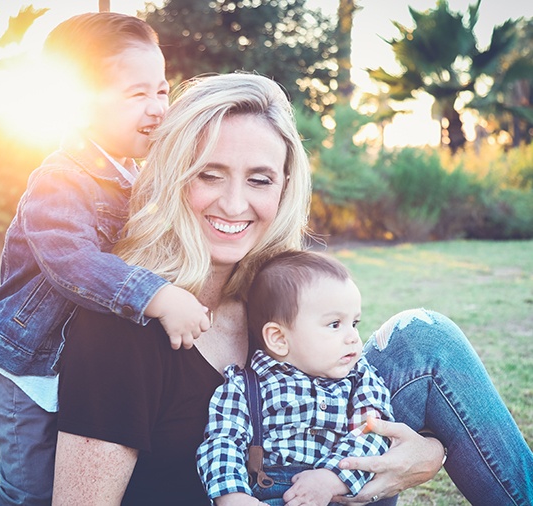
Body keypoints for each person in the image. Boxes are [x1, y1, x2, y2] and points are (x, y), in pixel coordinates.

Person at [52, 73, 533, 506]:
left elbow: (356, 392)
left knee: (424, 338)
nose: (235, 203)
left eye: (259, 179)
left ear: (283, 187)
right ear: (173, 176)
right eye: (209, 173)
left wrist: (429, 452)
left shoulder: (276, 292)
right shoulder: (121, 327)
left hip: (324, 484)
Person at [0, 13, 211, 506]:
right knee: (31, 491)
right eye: (136, 95)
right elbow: (72, 262)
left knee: (78, 478)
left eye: (162, 91)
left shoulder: (132, 176)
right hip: (26, 369)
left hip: (74, 365)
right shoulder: (60, 179)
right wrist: (157, 295)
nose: (157, 108)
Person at [197, 250, 395, 506]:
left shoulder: (360, 376)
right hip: (273, 493)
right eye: (335, 324)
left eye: (354, 323)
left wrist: (332, 478)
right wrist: (234, 496)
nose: (353, 337)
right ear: (279, 339)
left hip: (342, 490)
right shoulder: (245, 386)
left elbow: (373, 430)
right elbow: (222, 442)